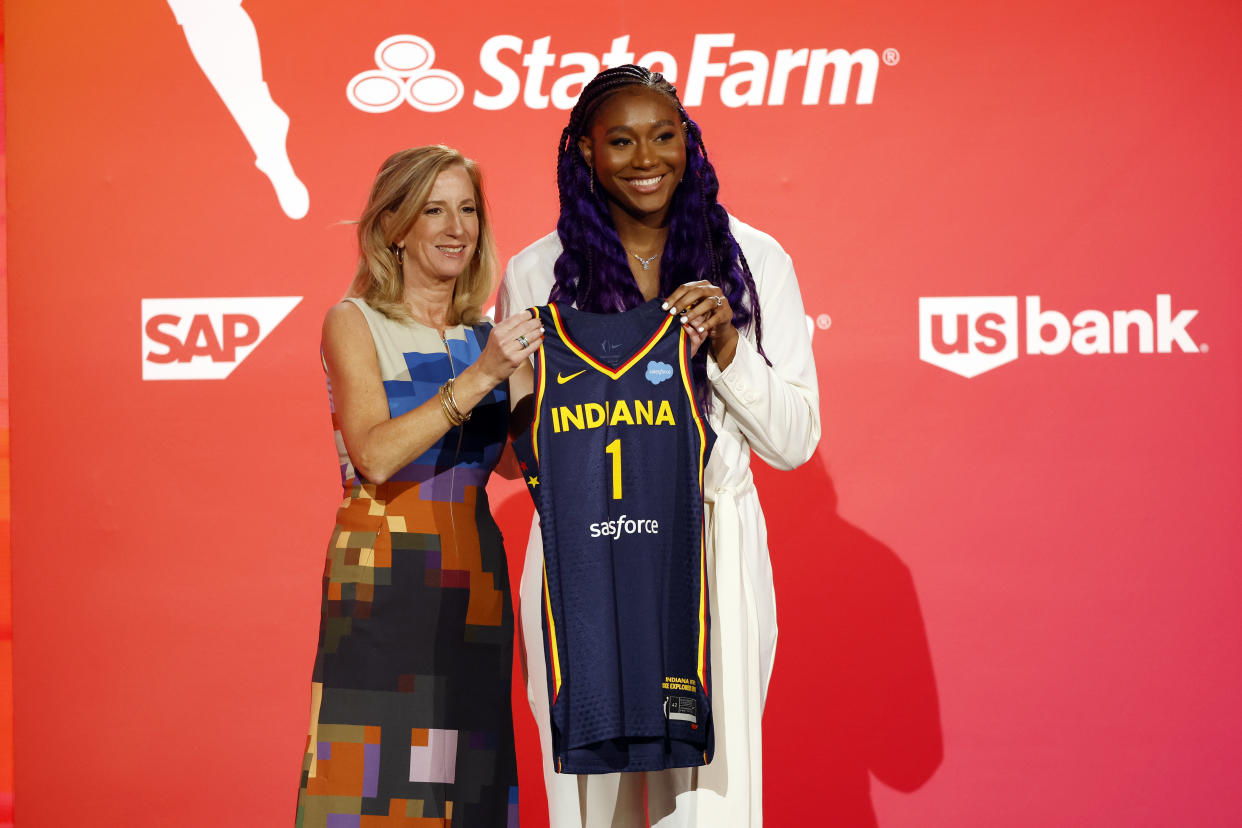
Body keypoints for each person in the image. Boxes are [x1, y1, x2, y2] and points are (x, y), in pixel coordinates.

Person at [499, 65, 821, 827]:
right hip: (583, 544)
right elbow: (521, 454)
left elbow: (795, 441)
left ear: (690, 142)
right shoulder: (536, 270)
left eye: (664, 136)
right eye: (620, 141)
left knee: (711, 799)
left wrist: (729, 348)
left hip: (710, 540)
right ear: (582, 151)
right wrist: (513, 394)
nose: (647, 158)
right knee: (589, 794)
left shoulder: (753, 260)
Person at [296, 145, 543, 827]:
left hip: (474, 580)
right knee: (374, 784)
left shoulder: (486, 336)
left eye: (467, 209)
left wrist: (559, 381)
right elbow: (374, 454)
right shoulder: (355, 321)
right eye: (433, 209)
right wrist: (480, 379)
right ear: (395, 226)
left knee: (466, 784)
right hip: (383, 576)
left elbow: (514, 466)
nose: (455, 227)